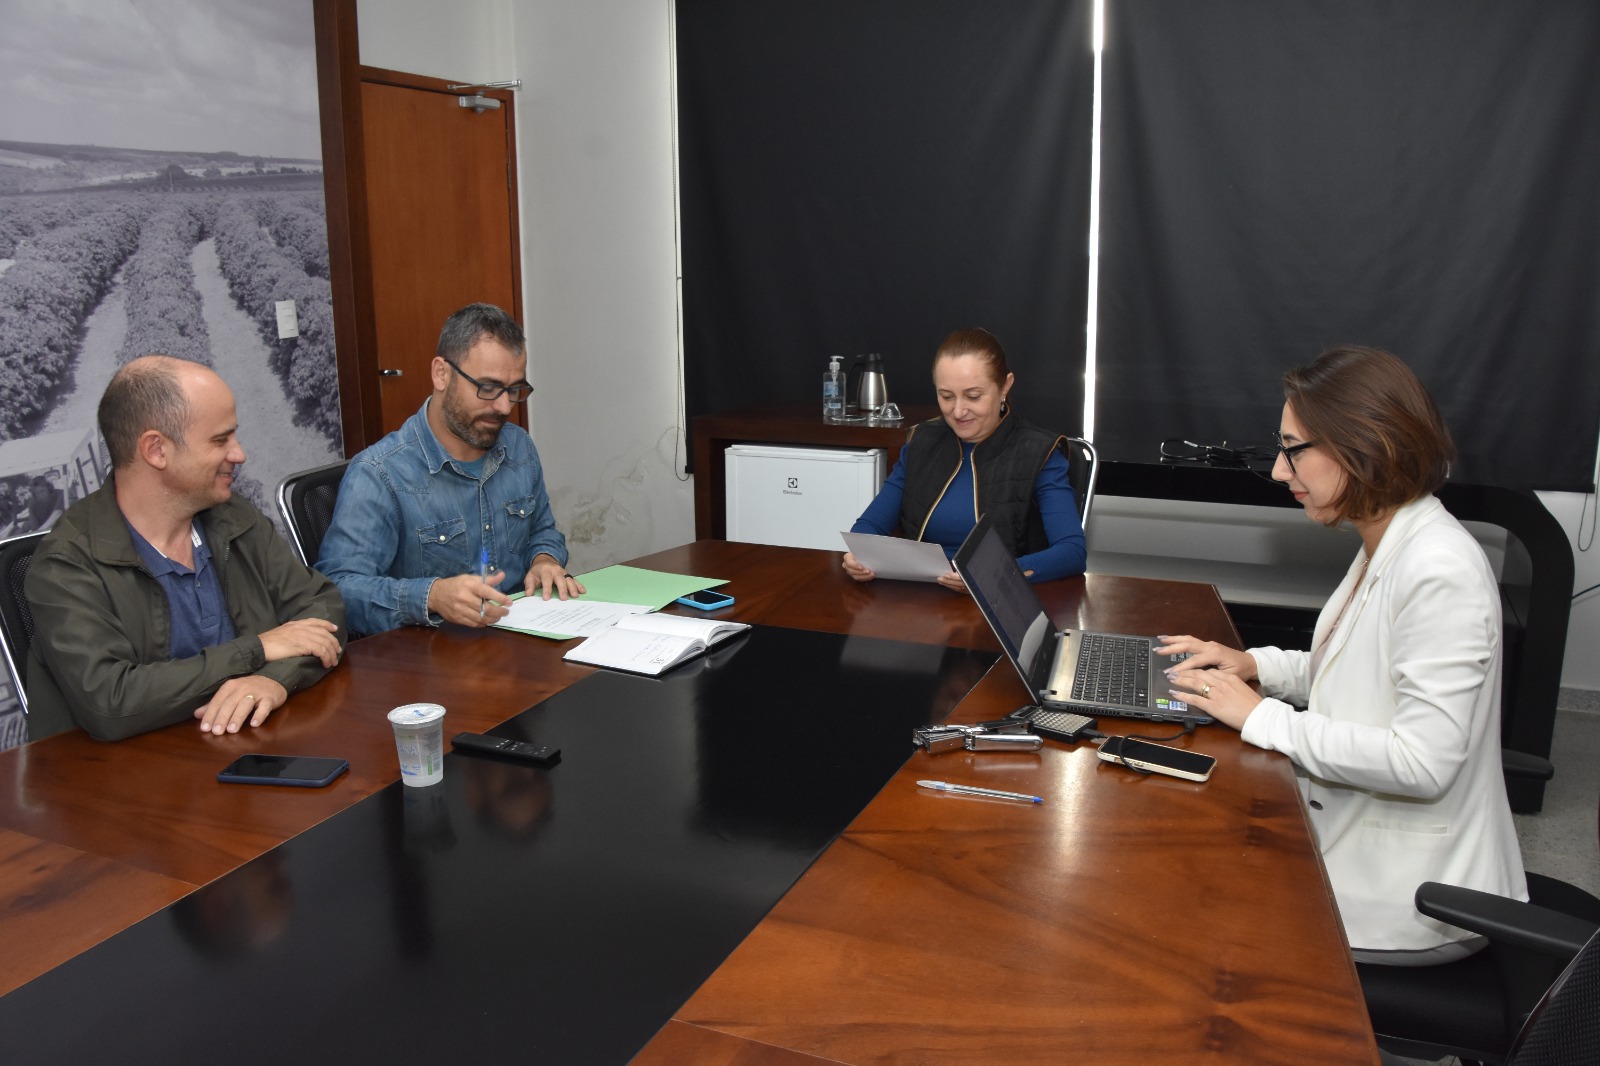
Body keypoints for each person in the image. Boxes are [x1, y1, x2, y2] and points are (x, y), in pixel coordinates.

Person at [1159, 345, 1525, 965]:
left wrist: (1261, 717)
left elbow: (1421, 762)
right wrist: (1254, 665)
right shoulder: (1389, 536)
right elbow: (1361, 672)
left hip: (1414, 901)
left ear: (1363, 445)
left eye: (1293, 448)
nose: (1279, 471)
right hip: (1362, 842)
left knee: (1190, 924)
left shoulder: (1439, 568)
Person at [25, 356, 346, 742]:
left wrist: (272, 679)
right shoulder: (65, 564)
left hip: (242, 756)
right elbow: (110, 701)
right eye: (219, 440)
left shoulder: (231, 516)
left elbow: (322, 610)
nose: (238, 454)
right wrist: (256, 651)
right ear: (156, 450)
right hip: (116, 786)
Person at [317, 303, 581, 635]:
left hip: (519, 643)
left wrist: (544, 559)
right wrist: (431, 597)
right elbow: (338, 593)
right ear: (441, 373)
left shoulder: (518, 447)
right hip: (429, 661)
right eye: (487, 388)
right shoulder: (379, 473)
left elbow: (542, 529)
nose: (503, 407)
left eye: (514, 390)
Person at [842, 328, 1086, 590]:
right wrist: (857, 556)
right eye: (946, 396)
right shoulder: (923, 441)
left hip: (1002, 600)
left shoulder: (1040, 451)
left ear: (1005, 385)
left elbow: (1072, 552)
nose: (958, 411)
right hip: (920, 599)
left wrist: (989, 574)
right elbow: (870, 525)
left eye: (973, 396)